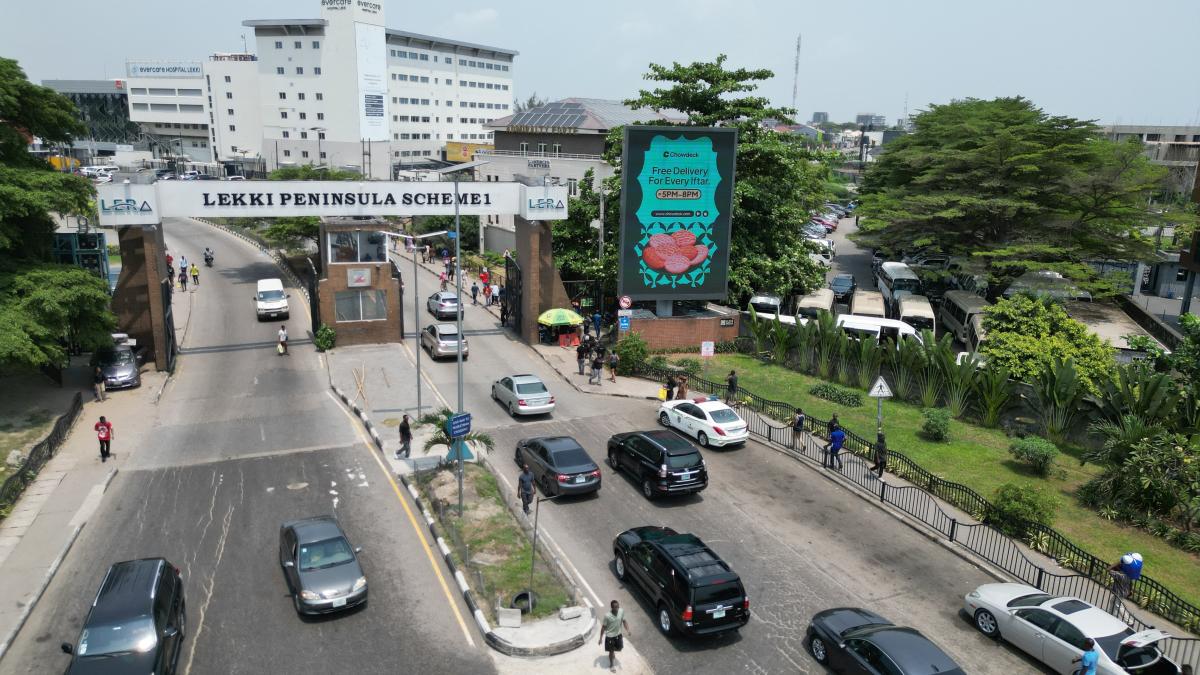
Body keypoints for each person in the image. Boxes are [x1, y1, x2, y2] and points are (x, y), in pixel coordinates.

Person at [599, 599, 631, 673]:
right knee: (611, 651)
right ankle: (611, 665)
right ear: (612, 608)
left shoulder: (621, 611)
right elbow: (603, 627)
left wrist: (628, 630)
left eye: (618, 606)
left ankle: (612, 652)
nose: (617, 608)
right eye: (615, 607)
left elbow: (624, 621)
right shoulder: (607, 616)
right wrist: (600, 638)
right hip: (610, 636)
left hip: (618, 635)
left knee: (620, 647)